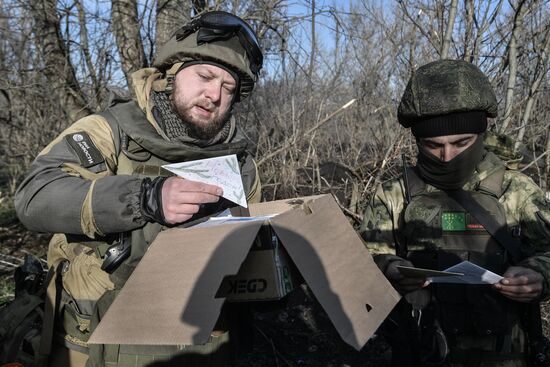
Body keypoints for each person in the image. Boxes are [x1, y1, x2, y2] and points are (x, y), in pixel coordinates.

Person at [15, 10, 263, 367]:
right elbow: (34, 195)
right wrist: (145, 197)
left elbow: (252, 254)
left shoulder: (239, 165)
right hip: (96, 343)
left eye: (228, 88)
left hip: (204, 346)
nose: (214, 94)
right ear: (171, 74)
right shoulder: (109, 132)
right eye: (205, 76)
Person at [360, 59, 550, 367]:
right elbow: (364, 259)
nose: (447, 157)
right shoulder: (395, 194)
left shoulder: (517, 190)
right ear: (417, 140)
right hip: (420, 350)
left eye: (461, 142)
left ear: (482, 133)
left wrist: (539, 275)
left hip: (506, 355)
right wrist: (391, 268)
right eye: (433, 145)